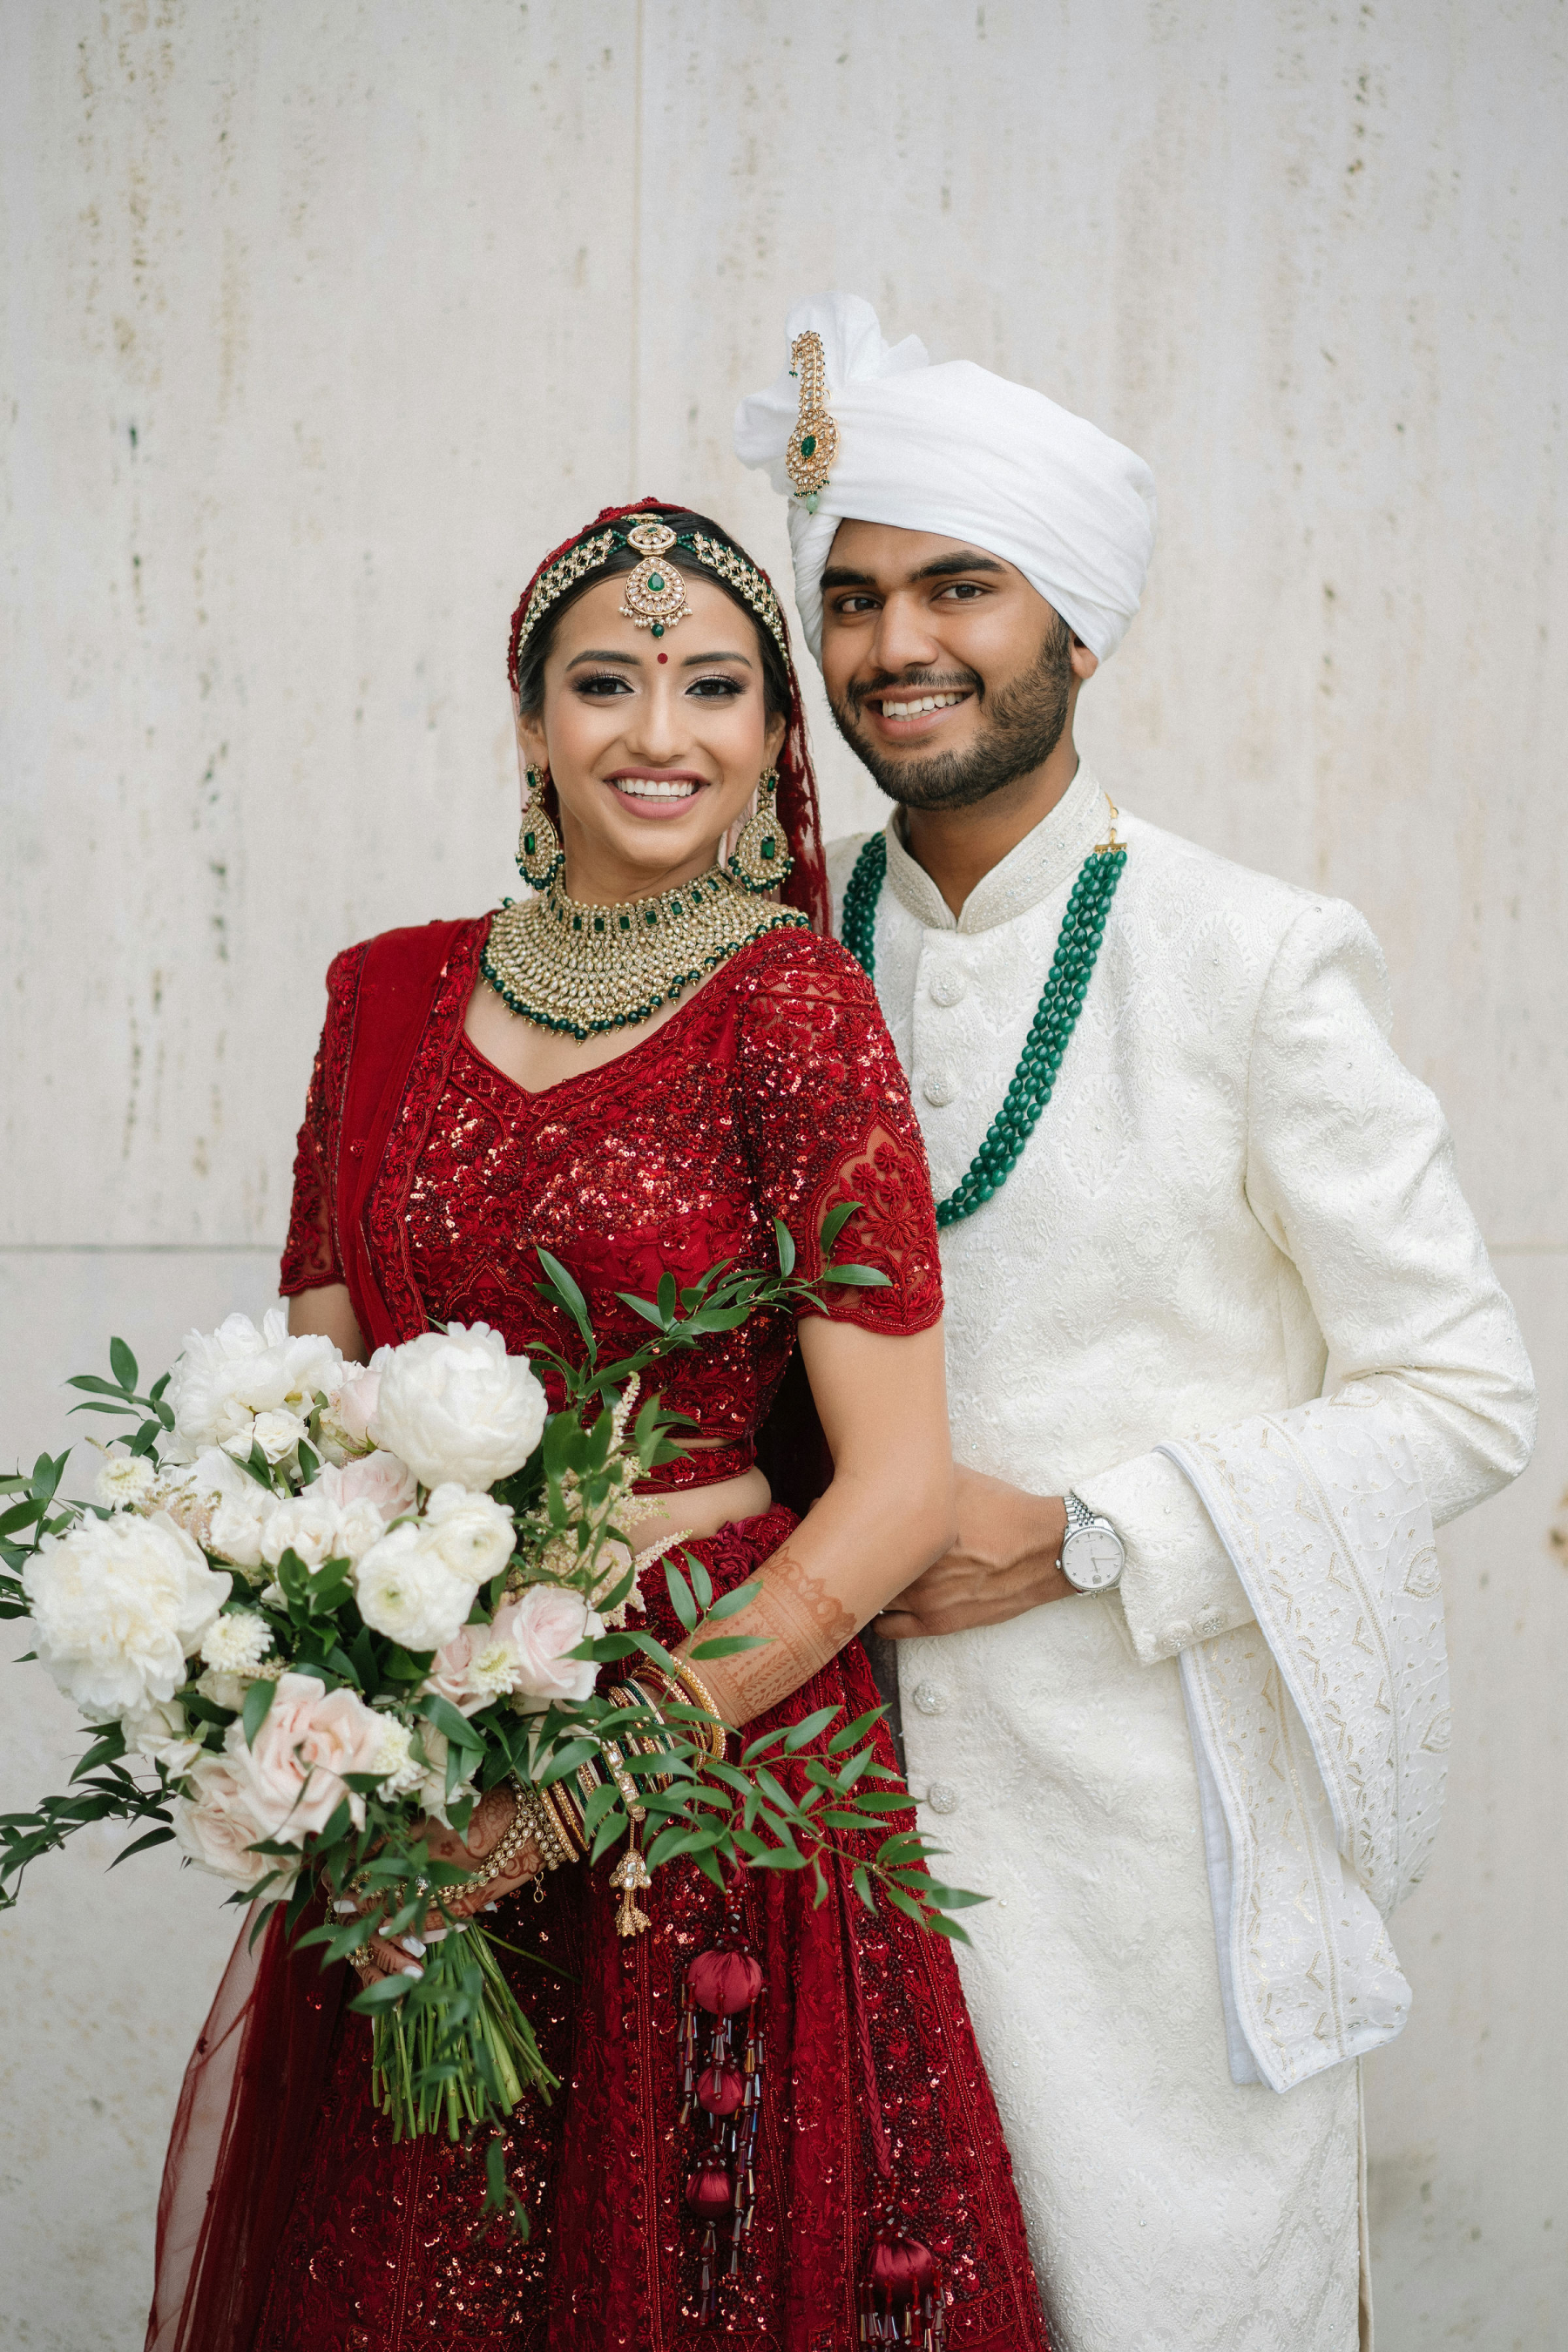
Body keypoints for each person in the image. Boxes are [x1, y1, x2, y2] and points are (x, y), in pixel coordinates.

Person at [145, 498, 1050, 2352]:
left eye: (714, 687)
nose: (661, 733)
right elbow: (316, 1427)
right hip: (423, 1747)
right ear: (530, 720)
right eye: (608, 683)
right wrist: (342, 1714)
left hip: (704, 1781)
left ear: (775, 734)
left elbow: (894, 1487)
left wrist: (579, 1784)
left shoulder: (796, 1010)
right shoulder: (383, 996)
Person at [735, 297, 1538, 2352]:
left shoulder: (1252, 959)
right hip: (797, 1849)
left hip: (1147, 1881)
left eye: (960, 587)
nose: (897, 643)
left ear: (1076, 631)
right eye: (854, 599)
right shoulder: (765, 963)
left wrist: (1089, 1532)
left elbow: (1463, 1395)